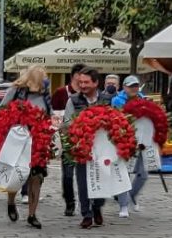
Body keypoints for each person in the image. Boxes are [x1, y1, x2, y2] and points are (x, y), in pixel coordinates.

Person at [0, 65, 52, 229]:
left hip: (38, 140)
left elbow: (49, 115)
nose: (44, 81)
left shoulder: (46, 95)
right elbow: (2, 109)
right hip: (18, 139)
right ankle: (10, 202)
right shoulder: (17, 91)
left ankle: (32, 214)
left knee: (36, 177)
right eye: (41, 78)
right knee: (17, 174)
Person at [62, 67, 113, 229]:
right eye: (80, 82)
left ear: (96, 83)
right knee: (83, 181)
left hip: (103, 148)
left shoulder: (107, 99)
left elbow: (116, 119)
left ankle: (97, 206)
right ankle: (86, 214)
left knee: (103, 180)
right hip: (82, 147)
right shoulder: (73, 100)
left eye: (86, 82)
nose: (82, 85)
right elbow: (67, 122)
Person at [109, 75, 147, 218]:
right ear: (124, 87)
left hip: (142, 140)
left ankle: (131, 196)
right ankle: (123, 205)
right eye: (131, 86)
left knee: (143, 174)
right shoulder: (117, 100)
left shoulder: (144, 99)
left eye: (136, 86)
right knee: (123, 174)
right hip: (124, 139)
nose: (134, 89)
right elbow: (116, 118)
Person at [53, 63, 86, 217]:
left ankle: (86, 203)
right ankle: (69, 202)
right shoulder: (61, 93)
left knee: (83, 174)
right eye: (80, 75)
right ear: (74, 76)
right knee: (67, 174)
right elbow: (52, 114)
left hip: (85, 141)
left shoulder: (88, 95)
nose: (83, 80)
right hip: (66, 138)